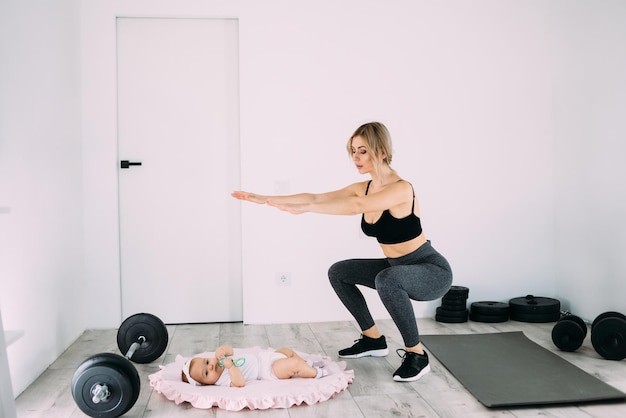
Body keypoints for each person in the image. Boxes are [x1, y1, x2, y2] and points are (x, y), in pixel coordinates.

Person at [231, 121, 453, 382]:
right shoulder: (366, 186)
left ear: (381, 151)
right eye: (353, 151)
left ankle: (417, 355)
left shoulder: (401, 189)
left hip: (430, 271)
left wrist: (308, 209)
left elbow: (355, 205)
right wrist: (266, 198)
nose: (356, 158)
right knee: (340, 272)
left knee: (387, 279)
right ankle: (373, 339)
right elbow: (317, 197)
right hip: (396, 268)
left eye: (363, 151)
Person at [181, 345, 327, 387]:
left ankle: (306, 364)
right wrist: (231, 368)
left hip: (265, 358)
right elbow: (239, 382)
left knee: (287, 351)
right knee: (292, 364)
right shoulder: (222, 380)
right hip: (267, 370)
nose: (211, 367)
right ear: (206, 384)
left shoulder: (219, 358)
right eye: (206, 373)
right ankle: (314, 373)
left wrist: (224, 350)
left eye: (207, 363)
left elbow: (231, 350)